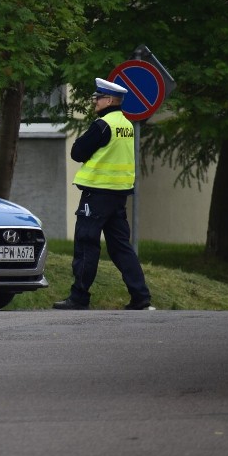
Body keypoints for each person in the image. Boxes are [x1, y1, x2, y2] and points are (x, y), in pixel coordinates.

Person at [53, 78, 153, 311]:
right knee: (121, 247)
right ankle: (140, 296)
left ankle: (78, 297)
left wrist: (82, 144)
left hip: (97, 194)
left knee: (87, 244)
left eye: (97, 98)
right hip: (118, 195)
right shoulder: (126, 124)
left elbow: (78, 152)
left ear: (108, 100)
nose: (94, 102)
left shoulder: (103, 125)